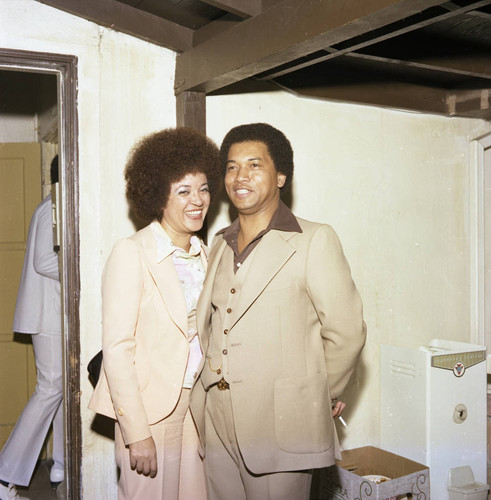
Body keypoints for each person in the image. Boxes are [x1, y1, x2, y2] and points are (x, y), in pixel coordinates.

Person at [191, 123, 367, 500]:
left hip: (282, 424)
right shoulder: (220, 243)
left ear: (281, 175)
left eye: (255, 165)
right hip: (216, 418)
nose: (240, 177)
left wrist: (318, 392)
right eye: (232, 167)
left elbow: (346, 332)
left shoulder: (313, 240)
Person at [89, 127, 221, 500]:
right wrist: (137, 433)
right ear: (157, 195)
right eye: (183, 190)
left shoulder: (209, 254)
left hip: (197, 408)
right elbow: (117, 350)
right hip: (150, 413)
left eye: (204, 188)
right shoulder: (132, 253)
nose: (198, 200)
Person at [0, 156, 64, 500]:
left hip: (54, 313)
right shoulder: (49, 207)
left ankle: (62, 464)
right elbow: (44, 260)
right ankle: (4, 473)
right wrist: (82, 263)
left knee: (63, 387)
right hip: (46, 314)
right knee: (51, 386)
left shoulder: (58, 205)